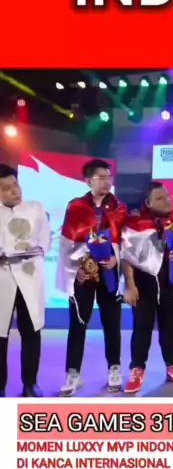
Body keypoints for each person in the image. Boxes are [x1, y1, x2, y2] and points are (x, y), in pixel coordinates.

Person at [56, 159, 127, 397]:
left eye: (109, 177)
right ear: (88, 180)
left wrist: (116, 258)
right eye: (101, 177)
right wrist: (76, 268)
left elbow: (126, 242)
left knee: (112, 323)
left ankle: (114, 368)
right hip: (83, 273)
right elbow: (66, 243)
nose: (107, 182)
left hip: (109, 272)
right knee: (78, 323)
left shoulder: (119, 208)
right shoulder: (75, 206)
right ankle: (73, 373)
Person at [122, 182, 173, 391]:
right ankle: (137, 370)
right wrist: (130, 285)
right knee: (141, 328)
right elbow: (126, 257)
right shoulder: (134, 223)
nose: (167, 201)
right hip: (143, 283)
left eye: (167, 196)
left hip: (171, 281)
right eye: (160, 198)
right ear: (148, 203)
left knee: (170, 327)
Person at [0, 164, 51, 398]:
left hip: (29, 278)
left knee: (31, 332)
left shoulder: (35, 208)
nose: (15, 191)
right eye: (6, 188)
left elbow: (44, 240)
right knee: (0, 335)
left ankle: (30, 383)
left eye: (16, 185)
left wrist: (37, 249)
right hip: (2, 279)